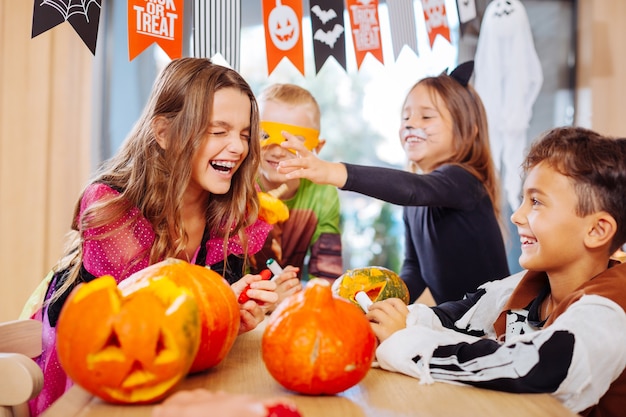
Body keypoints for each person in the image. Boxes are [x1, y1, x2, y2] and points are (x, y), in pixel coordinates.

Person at [23, 58, 294, 416]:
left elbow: (196, 333)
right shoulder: (111, 207)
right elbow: (133, 335)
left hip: (176, 379)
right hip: (95, 382)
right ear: (164, 132)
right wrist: (217, 311)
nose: (238, 148)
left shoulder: (233, 214)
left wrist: (237, 316)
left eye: (245, 134)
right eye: (218, 131)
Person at [366, 127, 626, 417]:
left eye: (536, 202)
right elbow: (455, 318)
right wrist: (397, 322)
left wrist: (405, 341)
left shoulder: (612, 311)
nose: (517, 215)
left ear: (596, 230)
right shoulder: (526, 286)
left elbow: (531, 365)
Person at [278, 61, 510, 304]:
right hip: (460, 322)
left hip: (497, 323)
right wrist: (378, 296)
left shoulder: (465, 181)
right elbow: (415, 270)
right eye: (406, 116)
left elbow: (414, 190)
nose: (411, 123)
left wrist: (331, 171)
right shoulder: (414, 201)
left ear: (469, 130)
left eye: (426, 116)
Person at [250, 83, 343, 290]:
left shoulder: (323, 194)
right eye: (266, 136)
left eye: (293, 141)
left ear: (317, 147)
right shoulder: (239, 187)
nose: (279, 151)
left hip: (294, 302)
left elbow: (327, 277)